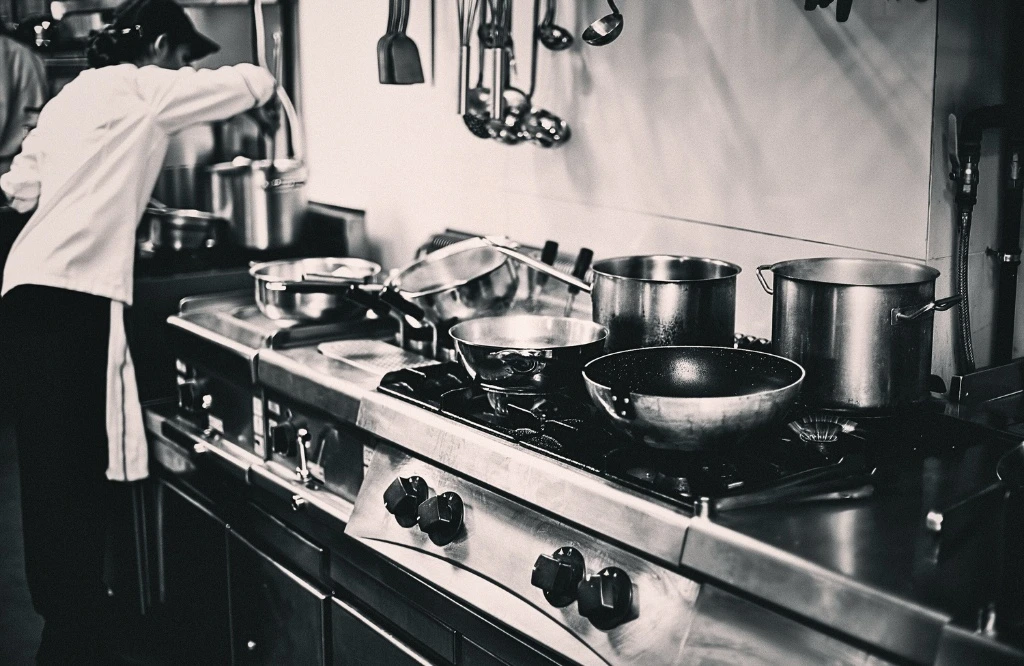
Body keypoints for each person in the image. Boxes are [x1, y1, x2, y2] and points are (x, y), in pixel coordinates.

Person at [0, 0, 278, 661]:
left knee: (46, 465)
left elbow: (19, 187)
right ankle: (83, 624)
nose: (183, 70)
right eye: (181, 57)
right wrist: (266, 98)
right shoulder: (142, 86)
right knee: (75, 463)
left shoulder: (72, 97)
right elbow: (252, 81)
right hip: (74, 292)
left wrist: (102, 186)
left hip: (25, 288)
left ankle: (68, 612)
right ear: (157, 45)